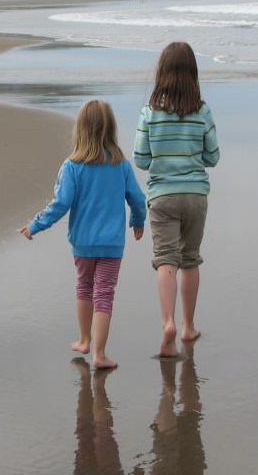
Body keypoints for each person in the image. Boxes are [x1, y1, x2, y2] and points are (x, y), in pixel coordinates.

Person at [21, 100, 146, 369]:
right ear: (110, 129)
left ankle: (84, 339)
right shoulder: (120, 165)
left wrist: (35, 225)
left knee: (84, 287)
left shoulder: (72, 166)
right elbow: (137, 198)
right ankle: (100, 354)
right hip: (111, 244)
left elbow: (60, 204)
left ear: (80, 130)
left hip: (83, 243)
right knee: (104, 293)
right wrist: (138, 221)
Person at [134, 41, 219, 357]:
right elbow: (213, 155)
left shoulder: (149, 113)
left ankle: (167, 321)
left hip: (162, 195)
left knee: (166, 260)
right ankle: (188, 326)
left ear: (162, 74)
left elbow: (141, 158)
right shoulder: (203, 111)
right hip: (196, 195)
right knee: (190, 259)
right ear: (193, 74)